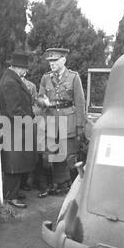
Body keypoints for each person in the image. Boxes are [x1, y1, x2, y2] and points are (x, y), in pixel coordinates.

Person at [36, 47, 86, 198]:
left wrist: (80, 126)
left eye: (55, 60)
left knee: (70, 157)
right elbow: (39, 98)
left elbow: (80, 103)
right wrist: (43, 101)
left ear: (63, 60)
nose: (52, 63)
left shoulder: (73, 77)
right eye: (50, 61)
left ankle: (76, 188)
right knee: (49, 156)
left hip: (68, 121)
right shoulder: (46, 78)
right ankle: (53, 186)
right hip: (50, 120)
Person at [0, 52, 36, 208]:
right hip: (14, 127)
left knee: (17, 161)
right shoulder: (10, 82)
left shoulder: (11, 79)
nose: (24, 72)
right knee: (13, 162)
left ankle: (13, 191)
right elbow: (15, 110)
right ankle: (10, 196)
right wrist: (29, 121)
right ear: (16, 67)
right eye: (23, 68)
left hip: (15, 127)